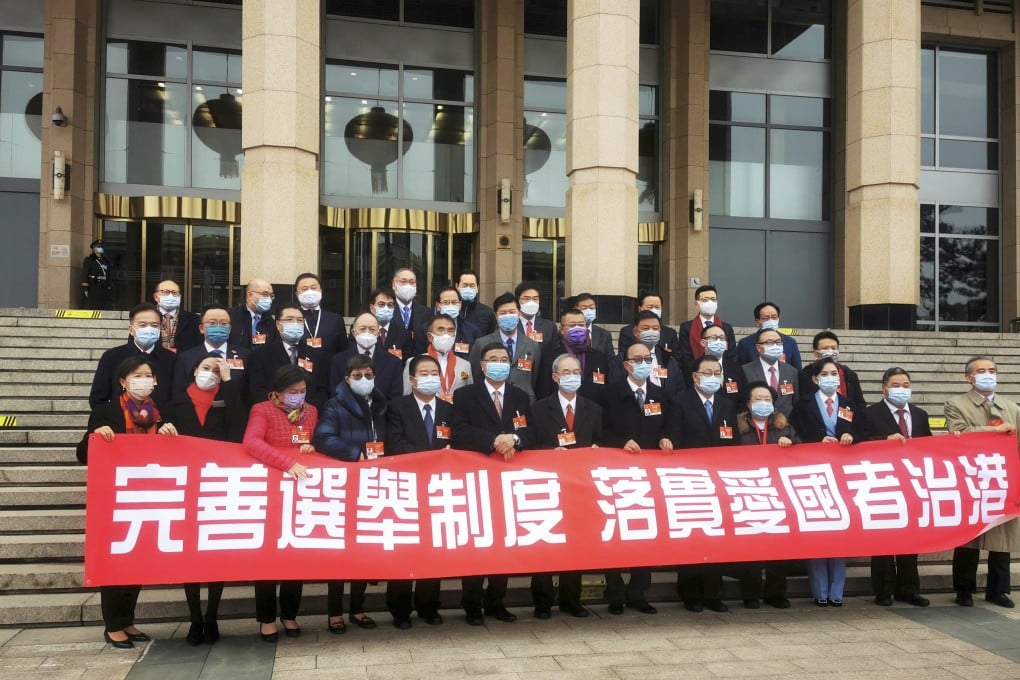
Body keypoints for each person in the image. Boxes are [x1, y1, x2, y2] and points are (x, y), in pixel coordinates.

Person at [84, 355, 178, 648]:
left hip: (148, 496)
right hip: (116, 498)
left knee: (136, 561)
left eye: (147, 375)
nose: (143, 380)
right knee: (116, 562)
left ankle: (127, 620)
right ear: (123, 382)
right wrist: (95, 436)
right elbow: (81, 453)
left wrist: (169, 435)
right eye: (136, 376)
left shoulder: (159, 414)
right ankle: (112, 624)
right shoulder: (107, 411)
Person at [452, 342, 532, 625]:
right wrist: (493, 441)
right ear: (482, 365)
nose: (499, 363)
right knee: (479, 542)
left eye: (503, 359)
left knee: (504, 543)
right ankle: (472, 604)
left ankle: (496, 602)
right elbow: (458, 431)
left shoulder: (520, 396)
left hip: (509, 479)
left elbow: (528, 430)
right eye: (493, 359)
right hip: (478, 479)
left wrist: (515, 439)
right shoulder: (465, 395)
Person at [170, 353, 248, 644]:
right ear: (193, 371)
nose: (210, 373)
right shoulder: (176, 401)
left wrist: (227, 381)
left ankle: (212, 616)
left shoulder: (226, 398)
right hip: (186, 485)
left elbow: (239, 427)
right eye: (206, 368)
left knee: (215, 556)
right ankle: (195, 618)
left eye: (216, 370)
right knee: (191, 557)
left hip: (217, 484)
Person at [599, 341, 676, 616]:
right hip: (617, 472)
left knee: (645, 532)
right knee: (617, 532)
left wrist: (667, 438)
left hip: (650, 474)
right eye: (638, 358)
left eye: (648, 358)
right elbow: (600, 431)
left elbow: (669, 426)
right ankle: (615, 591)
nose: (644, 362)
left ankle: (639, 591)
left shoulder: (660, 394)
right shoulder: (610, 394)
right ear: (627, 364)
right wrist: (621, 442)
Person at [243, 365, 318, 642]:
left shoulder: (311, 411)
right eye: (292, 392)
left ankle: (290, 614)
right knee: (268, 560)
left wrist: (311, 447)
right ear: (276, 392)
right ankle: (266, 619)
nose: (299, 397)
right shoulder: (262, 410)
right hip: (270, 490)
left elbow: (313, 441)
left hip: (299, 491)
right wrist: (287, 462)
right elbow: (251, 442)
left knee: (294, 557)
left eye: (302, 391)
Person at [313, 354, 387, 632]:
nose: (363, 380)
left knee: (363, 550)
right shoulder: (334, 405)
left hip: (373, 482)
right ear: (347, 379)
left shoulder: (379, 402)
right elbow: (323, 437)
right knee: (340, 552)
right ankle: (335, 612)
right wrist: (355, 454)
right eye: (357, 376)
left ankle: (357, 608)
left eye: (368, 375)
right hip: (345, 484)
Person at [528, 354, 601, 619]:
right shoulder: (538, 409)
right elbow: (530, 444)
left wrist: (596, 450)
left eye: (576, 371)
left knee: (576, 543)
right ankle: (542, 601)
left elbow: (600, 442)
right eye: (566, 372)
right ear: (555, 377)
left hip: (580, 487)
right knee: (546, 543)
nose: (572, 376)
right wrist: (549, 451)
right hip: (549, 484)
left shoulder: (593, 408)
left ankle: (572, 599)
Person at [944, 356, 1020, 609]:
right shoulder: (956, 404)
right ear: (969, 378)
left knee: (1003, 538)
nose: (988, 374)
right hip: (972, 479)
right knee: (968, 537)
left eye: (992, 370)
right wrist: (992, 431)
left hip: (1003, 479)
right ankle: (964, 588)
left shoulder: (1012, 408)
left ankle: (998, 589)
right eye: (981, 371)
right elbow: (958, 433)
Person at [384, 354, 451, 628]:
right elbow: (395, 444)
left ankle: (428, 606)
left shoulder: (448, 409)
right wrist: (430, 458)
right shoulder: (396, 407)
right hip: (406, 486)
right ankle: (400, 610)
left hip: (437, 488)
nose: (430, 378)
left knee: (432, 549)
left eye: (434, 372)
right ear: (412, 380)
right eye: (424, 373)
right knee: (405, 548)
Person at [673, 354, 740, 613]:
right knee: (692, 538)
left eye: (717, 373)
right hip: (689, 481)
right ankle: (690, 594)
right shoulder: (680, 401)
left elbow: (732, 441)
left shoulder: (727, 404)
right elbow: (676, 439)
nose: (713, 377)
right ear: (695, 376)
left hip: (718, 482)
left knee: (715, 538)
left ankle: (713, 593)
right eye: (708, 372)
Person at [861, 367, 932, 608]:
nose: (901, 390)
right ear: (884, 388)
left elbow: (929, 446)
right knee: (883, 540)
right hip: (882, 483)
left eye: (906, 385)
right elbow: (858, 444)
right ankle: (883, 590)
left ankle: (909, 589)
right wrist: (883, 442)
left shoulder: (920, 414)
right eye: (896, 385)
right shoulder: (870, 413)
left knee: (910, 541)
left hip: (912, 483)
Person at [791, 358, 859, 608]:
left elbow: (861, 429)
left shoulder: (850, 403)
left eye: (835, 373)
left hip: (842, 473)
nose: (831, 377)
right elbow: (795, 431)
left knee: (839, 531)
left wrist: (851, 435)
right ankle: (819, 591)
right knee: (818, 530)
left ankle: (837, 592)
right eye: (825, 374)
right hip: (814, 471)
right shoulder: (804, 404)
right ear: (815, 379)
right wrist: (819, 439)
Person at [736, 382, 799, 609]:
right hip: (747, 491)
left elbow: (802, 454)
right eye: (757, 399)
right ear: (748, 403)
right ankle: (751, 594)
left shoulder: (784, 427)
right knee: (750, 548)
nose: (763, 403)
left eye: (767, 399)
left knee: (777, 546)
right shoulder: (739, 428)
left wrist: (790, 444)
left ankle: (776, 593)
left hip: (777, 493)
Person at [89, 303, 176, 408]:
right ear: (131, 329)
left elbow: (176, 397)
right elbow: (98, 399)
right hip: (120, 420)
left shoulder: (171, 359)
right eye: (142, 325)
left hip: (161, 422)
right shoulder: (112, 357)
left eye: (154, 325)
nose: (149, 329)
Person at [249, 305, 328, 407]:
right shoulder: (261, 354)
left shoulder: (316, 355)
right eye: (289, 319)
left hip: (307, 413)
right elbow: (257, 390)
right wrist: (281, 407)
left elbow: (322, 390)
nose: (295, 323)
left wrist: (306, 410)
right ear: (278, 324)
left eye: (299, 320)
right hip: (274, 413)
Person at [469, 292, 542, 402]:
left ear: (519, 313)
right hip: (491, 401)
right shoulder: (481, 343)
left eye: (512, 312)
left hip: (524, 402)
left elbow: (535, 378)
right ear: (496, 316)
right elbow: (475, 375)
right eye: (503, 313)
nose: (508, 316)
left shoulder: (532, 345)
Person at [172, 304, 250, 402]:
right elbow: (178, 395)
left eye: (223, 323)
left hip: (232, 413)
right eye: (212, 323)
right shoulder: (186, 358)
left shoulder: (245, 355)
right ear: (201, 328)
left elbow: (249, 392)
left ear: (230, 329)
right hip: (197, 414)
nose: (218, 327)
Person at [536, 308, 608, 402]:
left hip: (592, 413)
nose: (577, 329)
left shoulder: (599, 358)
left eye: (581, 325)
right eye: (572, 325)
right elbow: (543, 391)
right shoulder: (549, 357)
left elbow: (606, 391)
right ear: (561, 330)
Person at [329, 312, 403, 399]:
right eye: (362, 329)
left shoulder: (393, 363)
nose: (367, 333)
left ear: (378, 333)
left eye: (372, 329)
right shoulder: (338, 361)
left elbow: (395, 399)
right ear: (354, 332)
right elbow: (335, 396)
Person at [609, 310, 682, 397]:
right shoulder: (621, 360)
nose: (651, 332)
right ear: (635, 332)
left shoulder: (669, 360)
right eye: (646, 328)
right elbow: (615, 389)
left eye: (655, 328)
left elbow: (680, 390)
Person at [402, 314, 472, 400]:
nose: (446, 335)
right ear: (430, 336)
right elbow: (407, 395)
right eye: (441, 329)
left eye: (450, 330)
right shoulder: (413, 362)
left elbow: (470, 396)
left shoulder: (465, 365)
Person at [676, 284, 738, 371]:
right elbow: (686, 357)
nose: (710, 303)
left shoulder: (726, 327)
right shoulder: (687, 327)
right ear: (696, 304)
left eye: (713, 299)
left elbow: (732, 356)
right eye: (705, 300)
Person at [798, 331, 866, 407]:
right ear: (815, 353)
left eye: (833, 348)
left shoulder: (849, 374)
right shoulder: (805, 374)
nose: (830, 351)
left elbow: (860, 403)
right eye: (825, 348)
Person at [741, 328, 799, 416]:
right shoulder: (745, 371)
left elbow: (795, 402)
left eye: (778, 342)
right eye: (769, 343)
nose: (775, 346)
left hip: (785, 425)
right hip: (755, 424)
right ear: (758, 348)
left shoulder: (791, 371)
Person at [294, 272, 349, 359]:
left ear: (320, 291)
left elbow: (343, 350)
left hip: (328, 370)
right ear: (297, 294)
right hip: (298, 370)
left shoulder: (335, 320)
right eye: (304, 289)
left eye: (313, 288)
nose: (309, 292)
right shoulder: (291, 318)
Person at [414, 286, 481, 357]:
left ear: (460, 304)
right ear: (438, 306)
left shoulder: (472, 330)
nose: (450, 305)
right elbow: (420, 357)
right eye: (446, 303)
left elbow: (476, 358)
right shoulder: (424, 329)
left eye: (454, 302)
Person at [735, 302, 803, 369]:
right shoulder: (745, 343)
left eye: (774, 317)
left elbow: (797, 371)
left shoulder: (790, 342)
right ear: (757, 322)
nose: (771, 320)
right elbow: (739, 370)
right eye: (766, 318)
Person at [617, 292, 679, 357]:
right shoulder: (627, 331)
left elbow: (676, 358)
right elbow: (623, 357)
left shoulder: (670, 333)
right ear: (640, 309)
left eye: (657, 307)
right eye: (650, 307)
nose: (654, 310)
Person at [696, 324, 746, 403]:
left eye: (722, 338)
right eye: (714, 338)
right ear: (703, 342)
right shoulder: (694, 367)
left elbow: (742, 396)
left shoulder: (736, 368)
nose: (719, 341)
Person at [151, 280, 202, 353]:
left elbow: (199, 348)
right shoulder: (144, 317)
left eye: (174, 293)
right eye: (166, 292)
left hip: (183, 362)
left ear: (180, 297)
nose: (171, 296)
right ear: (156, 297)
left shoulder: (195, 320)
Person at [390, 268, 431, 358]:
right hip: (394, 364)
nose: (408, 285)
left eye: (412, 282)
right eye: (403, 281)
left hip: (419, 364)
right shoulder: (386, 310)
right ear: (394, 285)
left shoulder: (427, 313)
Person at [228, 278, 278, 350]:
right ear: (250, 295)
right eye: (265, 294)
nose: (269, 299)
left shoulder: (270, 322)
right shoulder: (232, 316)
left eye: (271, 296)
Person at [369, 288, 410, 361]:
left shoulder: (403, 331)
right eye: (381, 304)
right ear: (372, 308)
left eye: (390, 305)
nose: (386, 308)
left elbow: (407, 360)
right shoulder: (363, 329)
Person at [571, 292, 615, 358]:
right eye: (584, 308)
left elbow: (611, 360)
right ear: (576, 310)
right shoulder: (569, 332)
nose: (588, 311)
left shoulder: (604, 335)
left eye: (591, 308)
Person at [455, 269, 496, 336]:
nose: (468, 288)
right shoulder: (452, 310)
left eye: (472, 286)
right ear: (457, 286)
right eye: (465, 285)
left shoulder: (488, 313)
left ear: (477, 288)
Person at [82, 238, 112, 310]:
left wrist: (108, 286)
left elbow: (108, 274)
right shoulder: (89, 260)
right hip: (93, 286)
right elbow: (85, 273)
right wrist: (85, 287)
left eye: (101, 247)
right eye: (98, 247)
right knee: (92, 307)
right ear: (94, 248)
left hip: (103, 286)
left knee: (102, 307)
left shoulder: (106, 261)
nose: (100, 248)